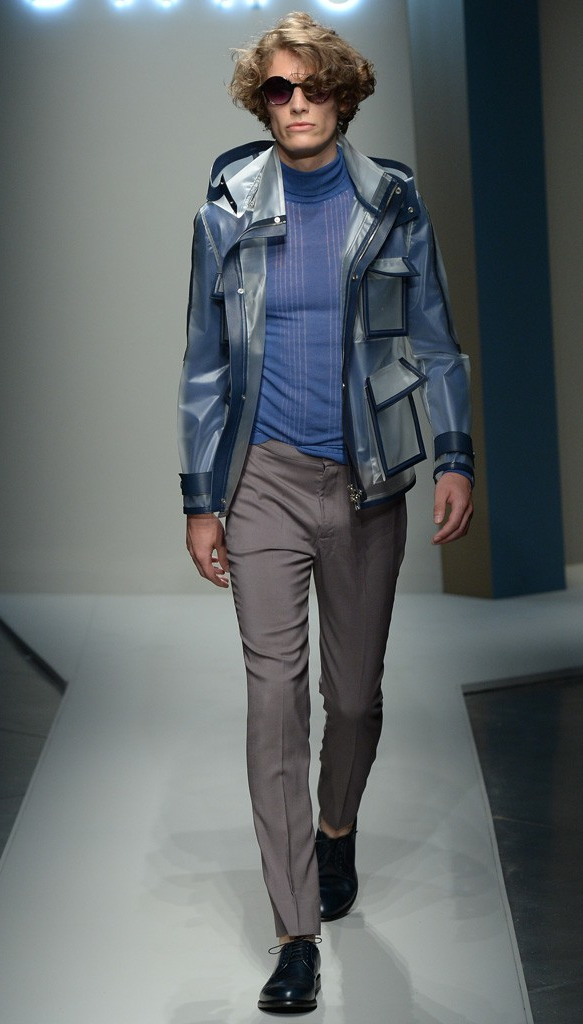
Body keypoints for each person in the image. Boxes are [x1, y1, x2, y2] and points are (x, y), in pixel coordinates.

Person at [178, 11, 474, 1014]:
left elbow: (435, 339)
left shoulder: (392, 202)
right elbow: (204, 362)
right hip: (260, 477)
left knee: (351, 701)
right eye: (277, 89)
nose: (295, 103)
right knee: (274, 702)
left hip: (366, 479)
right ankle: (294, 934)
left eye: (312, 87)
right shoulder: (225, 208)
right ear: (258, 102)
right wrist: (201, 498)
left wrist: (454, 454)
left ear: (344, 95)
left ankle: (335, 826)